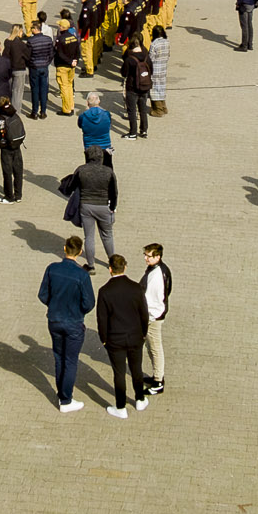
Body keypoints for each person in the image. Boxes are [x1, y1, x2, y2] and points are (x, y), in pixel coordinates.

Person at [39, 236, 95, 412]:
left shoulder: (52, 269)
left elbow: (43, 294)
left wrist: (53, 304)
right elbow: (89, 303)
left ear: (64, 248)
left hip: (54, 319)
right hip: (73, 322)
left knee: (58, 356)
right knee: (70, 360)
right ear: (79, 252)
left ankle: (61, 393)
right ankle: (66, 399)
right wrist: (78, 311)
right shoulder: (82, 275)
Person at [96, 254, 150, 417]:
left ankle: (120, 407)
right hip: (135, 337)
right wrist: (143, 334)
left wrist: (104, 339)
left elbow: (102, 319)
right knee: (136, 368)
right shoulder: (136, 288)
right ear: (125, 267)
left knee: (119, 373)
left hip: (115, 339)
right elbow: (144, 314)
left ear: (110, 269)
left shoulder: (104, 291)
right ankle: (140, 399)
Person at [74, 146, 118, 269]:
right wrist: (112, 207)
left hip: (86, 206)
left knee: (89, 237)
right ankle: (113, 262)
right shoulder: (108, 172)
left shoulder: (81, 170)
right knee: (107, 235)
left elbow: (72, 185)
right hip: (104, 206)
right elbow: (114, 192)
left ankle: (91, 265)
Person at [0, 96, 26, 202]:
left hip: (6, 149)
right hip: (17, 146)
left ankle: (9, 196)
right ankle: (18, 195)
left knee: (7, 172)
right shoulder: (15, 114)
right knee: (18, 171)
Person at [121, 40, 152, 140]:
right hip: (144, 86)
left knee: (132, 111)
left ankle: (133, 133)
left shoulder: (130, 59)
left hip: (132, 88)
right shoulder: (147, 57)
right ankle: (144, 130)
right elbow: (151, 70)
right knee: (143, 109)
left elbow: (124, 73)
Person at [25, 18, 55, 118]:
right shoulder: (48, 39)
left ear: (35, 29)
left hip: (34, 67)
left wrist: (30, 64)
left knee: (35, 89)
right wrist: (47, 62)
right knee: (43, 88)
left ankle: (34, 111)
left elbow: (27, 56)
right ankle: (43, 111)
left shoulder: (30, 41)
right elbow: (51, 54)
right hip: (44, 67)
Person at [53, 17, 80, 116]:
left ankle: (66, 109)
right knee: (69, 86)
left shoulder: (60, 39)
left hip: (63, 66)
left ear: (62, 27)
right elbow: (78, 50)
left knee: (63, 88)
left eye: (59, 25)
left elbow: (59, 53)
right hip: (72, 66)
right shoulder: (73, 37)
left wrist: (69, 61)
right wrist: (75, 61)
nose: (58, 27)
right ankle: (71, 106)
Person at [79, 90, 113, 166]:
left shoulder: (83, 116)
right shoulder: (107, 114)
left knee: (91, 169)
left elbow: (80, 125)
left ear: (87, 103)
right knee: (108, 168)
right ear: (99, 101)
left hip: (89, 147)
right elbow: (109, 123)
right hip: (106, 146)